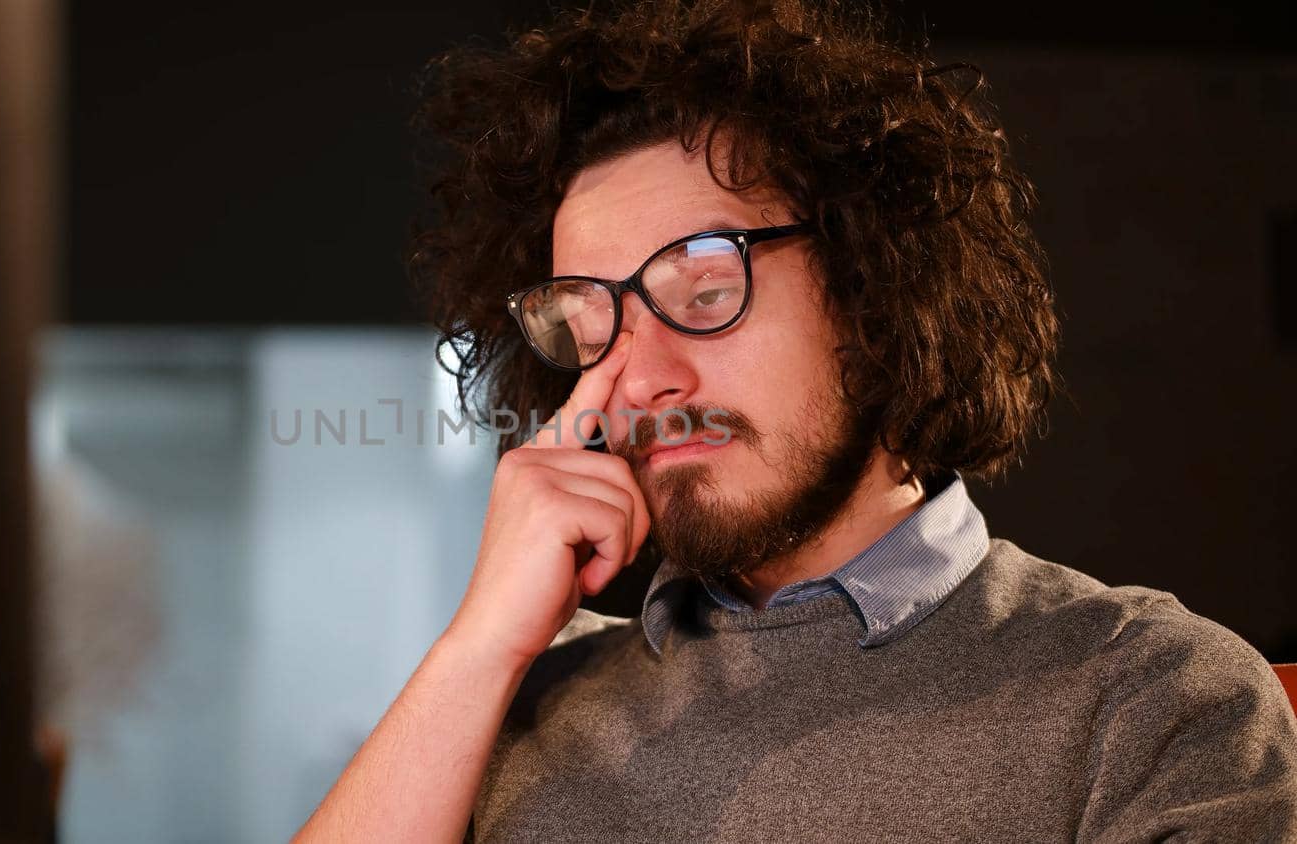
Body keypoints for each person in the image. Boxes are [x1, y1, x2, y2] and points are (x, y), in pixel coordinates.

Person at [297, 0, 1297, 839]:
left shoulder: (1144, 694)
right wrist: (480, 647)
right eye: (592, 322)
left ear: (877, 287)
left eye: (701, 288)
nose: (639, 377)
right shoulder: (510, 699)